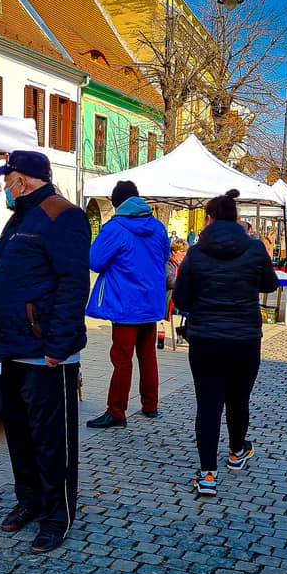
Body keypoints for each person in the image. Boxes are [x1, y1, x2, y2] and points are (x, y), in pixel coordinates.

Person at [0, 151, 90, 554]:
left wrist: (59, 346)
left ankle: (56, 515)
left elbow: (72, 284)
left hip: (46, 352)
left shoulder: (63, 215)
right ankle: (28, 500)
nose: (3, 185)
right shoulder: (22, 216)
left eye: (6, 178)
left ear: (24, 179)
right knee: (21, 435)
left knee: (52, 440)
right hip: (14, 348)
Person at [173, 189, 278, 497]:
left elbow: (180, 298)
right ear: (236, 218)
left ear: (209, 218)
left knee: (207, 404)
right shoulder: (256, 248)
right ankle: (235, 453)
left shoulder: (195, 252)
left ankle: (207, 475)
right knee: (238, 399)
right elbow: (270, 285)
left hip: (205, 337)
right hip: (245, 337)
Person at [86, 181, 170, 429]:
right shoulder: (157, 226)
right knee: (148, 354)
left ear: (117, 203)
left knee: (122, 358)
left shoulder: (115, 228)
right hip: (150, 302)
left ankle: (116, 411)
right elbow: (164, 257)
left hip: (125, 304)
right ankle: (150, 405)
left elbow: (95, 261)